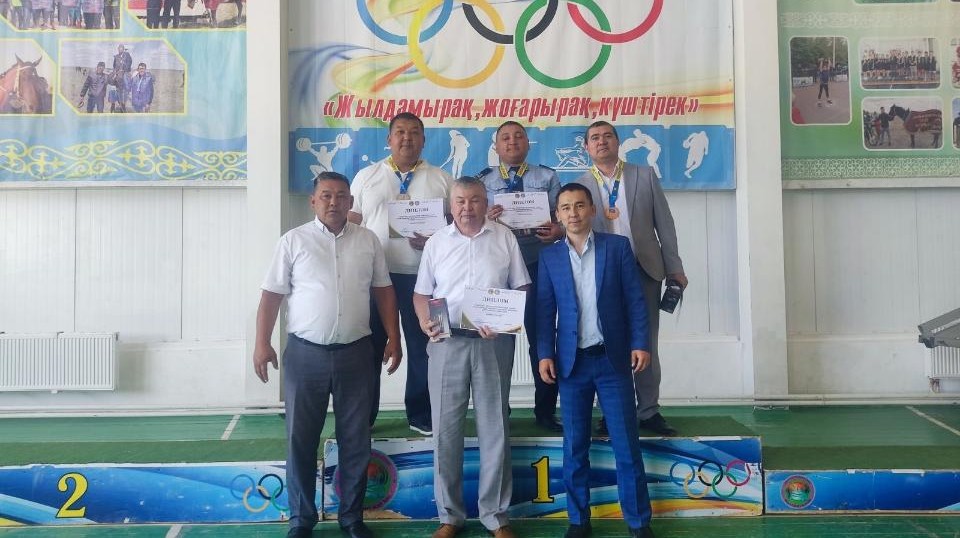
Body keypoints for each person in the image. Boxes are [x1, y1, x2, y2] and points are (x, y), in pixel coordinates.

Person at [253, 172, 402, 538]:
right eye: (326, 195)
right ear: (313, 201)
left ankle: (351, 518)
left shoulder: (368, 241)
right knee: (301, 440)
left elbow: (384, 291)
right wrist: (262, 343)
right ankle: (301, 520)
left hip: (357, 354)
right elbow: (271, 296)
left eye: (341, 196)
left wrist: (394, 337)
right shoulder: (293, 241)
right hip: (306, 356)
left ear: (351, 201)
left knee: (356, 440)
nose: (334, 202)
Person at [413, 176, 530, 538]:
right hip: (446, 342)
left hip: (493, 344)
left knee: (495, 427)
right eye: (461, 201)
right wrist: (425, 321)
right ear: (451, 206)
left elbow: (522, 285)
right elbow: (422, 293)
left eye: (475, 200)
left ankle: (495, 516)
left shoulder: (504, 237)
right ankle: (450, 516)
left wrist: (506, 320)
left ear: (486, 202)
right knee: (445, 431)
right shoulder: (436, 241)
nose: (468, 208)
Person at [537, 183, 655, 538]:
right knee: (575, 446)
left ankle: (638, 523)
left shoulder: (617, 248)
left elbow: (635, 301)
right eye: (566, 207)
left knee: (626, 445)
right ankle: (578, 520)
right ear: (557, 215)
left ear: (591, 210)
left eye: (579, 206)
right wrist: (544, 353)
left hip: (612, 362)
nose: (573, 213)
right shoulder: (550, 257)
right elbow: (544, 311)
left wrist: (640, 343)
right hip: (571, 365)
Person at [576, 121, 687, 437]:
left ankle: (648, 410)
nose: (601, 142)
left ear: (617, 142)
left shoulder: (644, 175)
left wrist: (674, 266)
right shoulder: (580, 184)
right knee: (604, 343)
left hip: (643, 269)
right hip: (601, 273)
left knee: (645, 342)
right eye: (594, 138)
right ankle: (609, 412)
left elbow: (665, 224)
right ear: (586, 147)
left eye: (607, 136)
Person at [348, 112, 452, 435]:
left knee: (431, 346)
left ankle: (423, 414)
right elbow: (353, 223)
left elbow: (456, 225)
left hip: (430, 280)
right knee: (368, 348)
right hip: (375, 278)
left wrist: (435, 239)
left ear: (424, 139)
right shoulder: (366, 176)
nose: (407, 138)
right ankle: (363, 418)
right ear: (389, 139)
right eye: (401, 132)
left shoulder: (442, 178)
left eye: (415, 132)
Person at [475, 120, 564, 432]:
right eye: (505, 138)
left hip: (540, 264)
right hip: (499, 269)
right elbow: (469, 220)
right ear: (496, 146)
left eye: (518, 136)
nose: (512, 142)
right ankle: (499, 411)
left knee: (543, 339)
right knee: (497, 342)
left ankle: (545, 411)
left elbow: (562, 218)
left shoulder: (548, 177)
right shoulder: (482, 180)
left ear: (528, 143)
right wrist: (485, 217)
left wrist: (558, 230)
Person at [112, 44, 132, 111]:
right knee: (118, 89)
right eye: (119, 48)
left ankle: (124, 103)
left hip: (125, 73)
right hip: (118, 75)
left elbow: (130, 62)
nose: (120, 49)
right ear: (118, 49)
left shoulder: (127, 54)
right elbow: (114, 66)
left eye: (121, 48)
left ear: (123, 49)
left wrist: (124, 69)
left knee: (126, 89)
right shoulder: (116, 57)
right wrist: (115, 73)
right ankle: (120, 104)